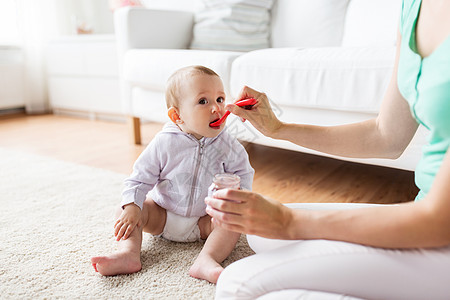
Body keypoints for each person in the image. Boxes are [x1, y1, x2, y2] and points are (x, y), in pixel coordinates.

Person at [205, 0, 450, 298]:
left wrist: (289, 222)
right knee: (260, 233)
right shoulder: (413, 7)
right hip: (425, 211)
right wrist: (279, 129)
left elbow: (439, 220)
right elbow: (385, 136)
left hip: (440, 230)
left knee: (237, 284)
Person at [91, 65, 254, 284]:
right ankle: (128, 253)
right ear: (177, 115)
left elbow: (244, 175)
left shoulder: (229, 146)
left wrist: (238, 198)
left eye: (220, 99)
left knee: (232, 222)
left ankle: (207, 259)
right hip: (162, 216)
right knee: (129, 209)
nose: (216, 108)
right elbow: (139, 178)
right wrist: (132, 206)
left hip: (204, 221)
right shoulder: (163, 142)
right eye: (203, 101)